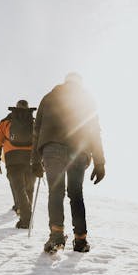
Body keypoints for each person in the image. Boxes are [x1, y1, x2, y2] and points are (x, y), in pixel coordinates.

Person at [31, 72, 105, 253]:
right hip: (78, 151)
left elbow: (37, 129)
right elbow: (94, 131)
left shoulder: (49, 97)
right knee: (76, 194)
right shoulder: (87, 99)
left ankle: (56, 235)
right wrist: (99, 162)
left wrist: (34, 160)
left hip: (52, 148)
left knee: (56, 191)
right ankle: (80, 240)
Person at [0, 100, 37, 228]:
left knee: (18, 189)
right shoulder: (33, 122)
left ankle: (25, 219)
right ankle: (25, 215)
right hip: (30, 158)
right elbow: (39, 141)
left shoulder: (5, 122)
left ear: (15, 108)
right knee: (29, 188)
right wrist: (41, 161)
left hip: (12, 158)